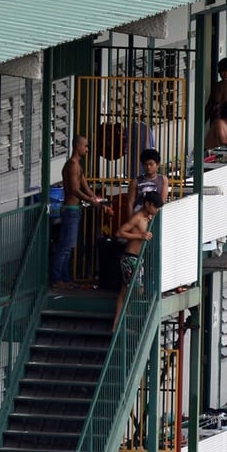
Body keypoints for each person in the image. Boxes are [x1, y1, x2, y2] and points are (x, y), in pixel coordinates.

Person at [51, 135, 113, 289]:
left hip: (75, 209)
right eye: (85, 146)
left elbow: (85, 186)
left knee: (69, 247)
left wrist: (96, 198)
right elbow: (74, 189)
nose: (87, 149)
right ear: (77, 146)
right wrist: (90, 200)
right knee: (65, 247)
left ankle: (65, 279)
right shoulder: (72, 165)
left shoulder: (78, 165)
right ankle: (57, 279)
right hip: (70, 209)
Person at [113, 191, 162, 330]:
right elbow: (119, 232)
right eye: (155, 207)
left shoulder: (149, 217)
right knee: (135, 290)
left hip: (137, 259)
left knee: (125, 291)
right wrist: (140, 235)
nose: (157, 210)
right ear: (148, 204)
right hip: (130, 257)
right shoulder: (138, 217)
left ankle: (118, 325)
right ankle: (121, 323)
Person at [127, 148, 168, 220]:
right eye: (145, 164)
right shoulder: (135, 181)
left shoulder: (163, 180)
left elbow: (162, 200)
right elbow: (130, 203)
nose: (148, 167)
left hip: (156, 217)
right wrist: (131, 220)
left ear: (157, 164)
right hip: (139, 217)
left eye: (151, 164)